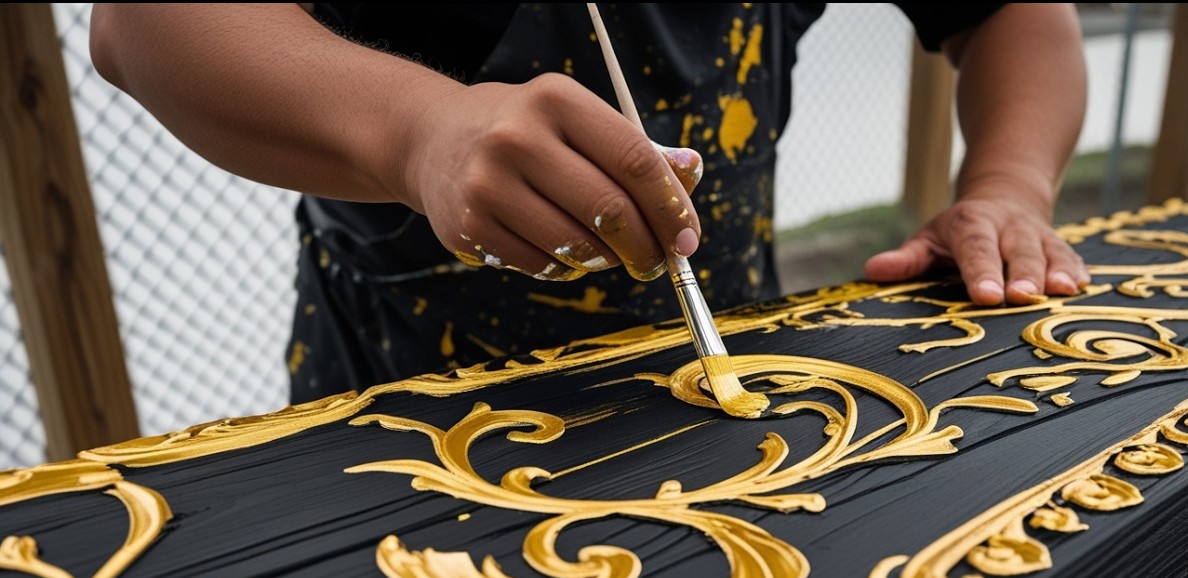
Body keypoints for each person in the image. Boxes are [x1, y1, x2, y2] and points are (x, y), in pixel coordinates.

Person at [88, 3, 1089, 404]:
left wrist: (1006, 187)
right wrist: (416, 131)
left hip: (723, 363)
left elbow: (1014, 17)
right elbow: (137, 25)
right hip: (390, 399)